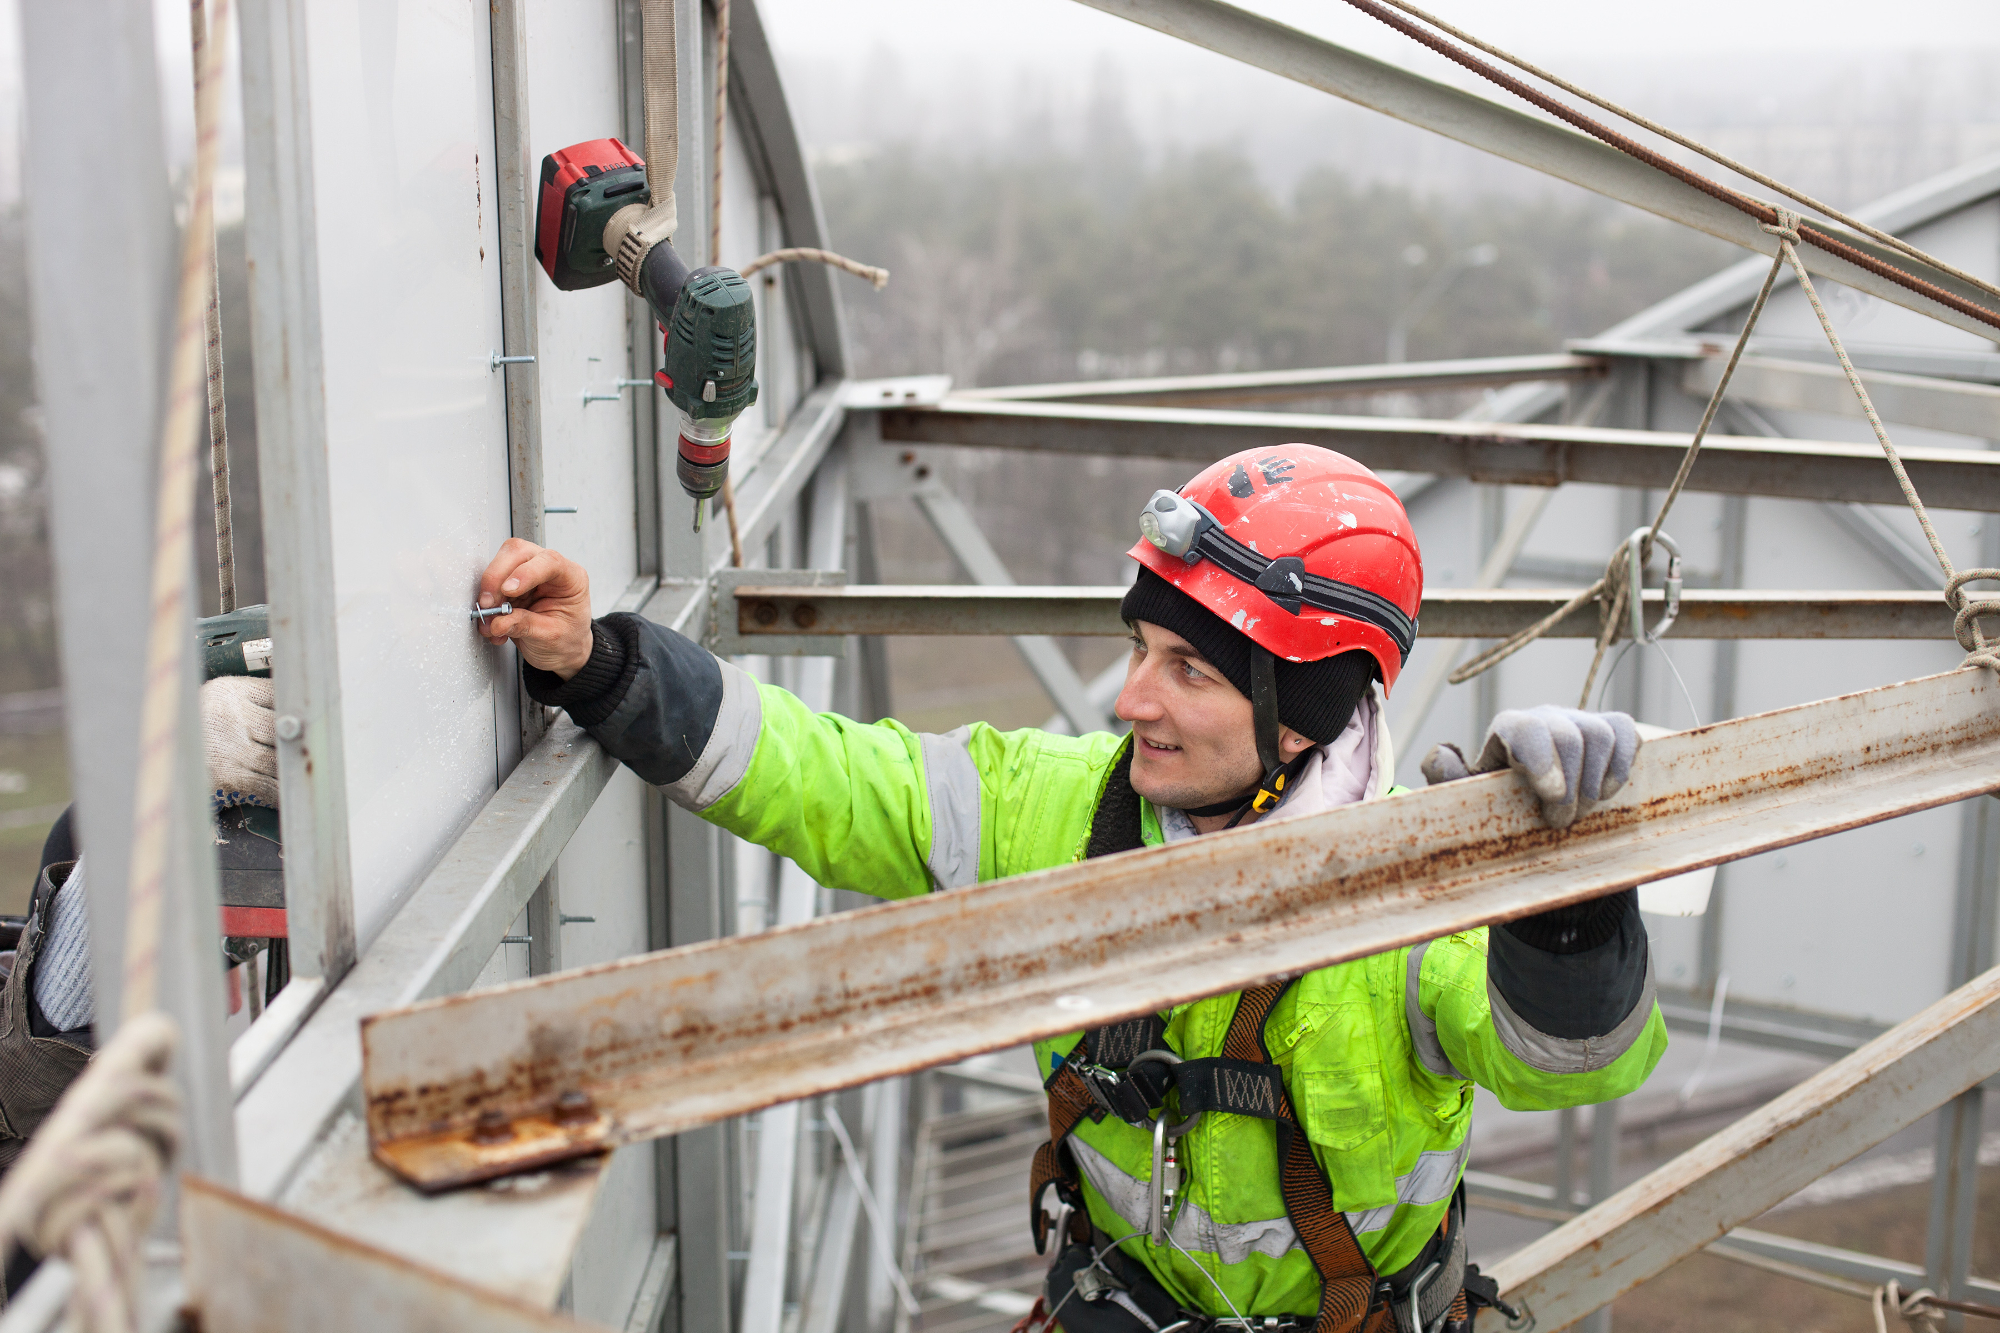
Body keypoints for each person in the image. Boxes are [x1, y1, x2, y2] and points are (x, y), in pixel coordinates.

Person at [477, 444, 1665, 1333]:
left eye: (1187, 668)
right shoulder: (1050, 809)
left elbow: (1571, 1063)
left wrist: (1561, 899)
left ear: (1302, 712)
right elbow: (826, 775)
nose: (1127, 701)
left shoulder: (1419, 883)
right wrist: (606, 666)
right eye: (1138, 650)